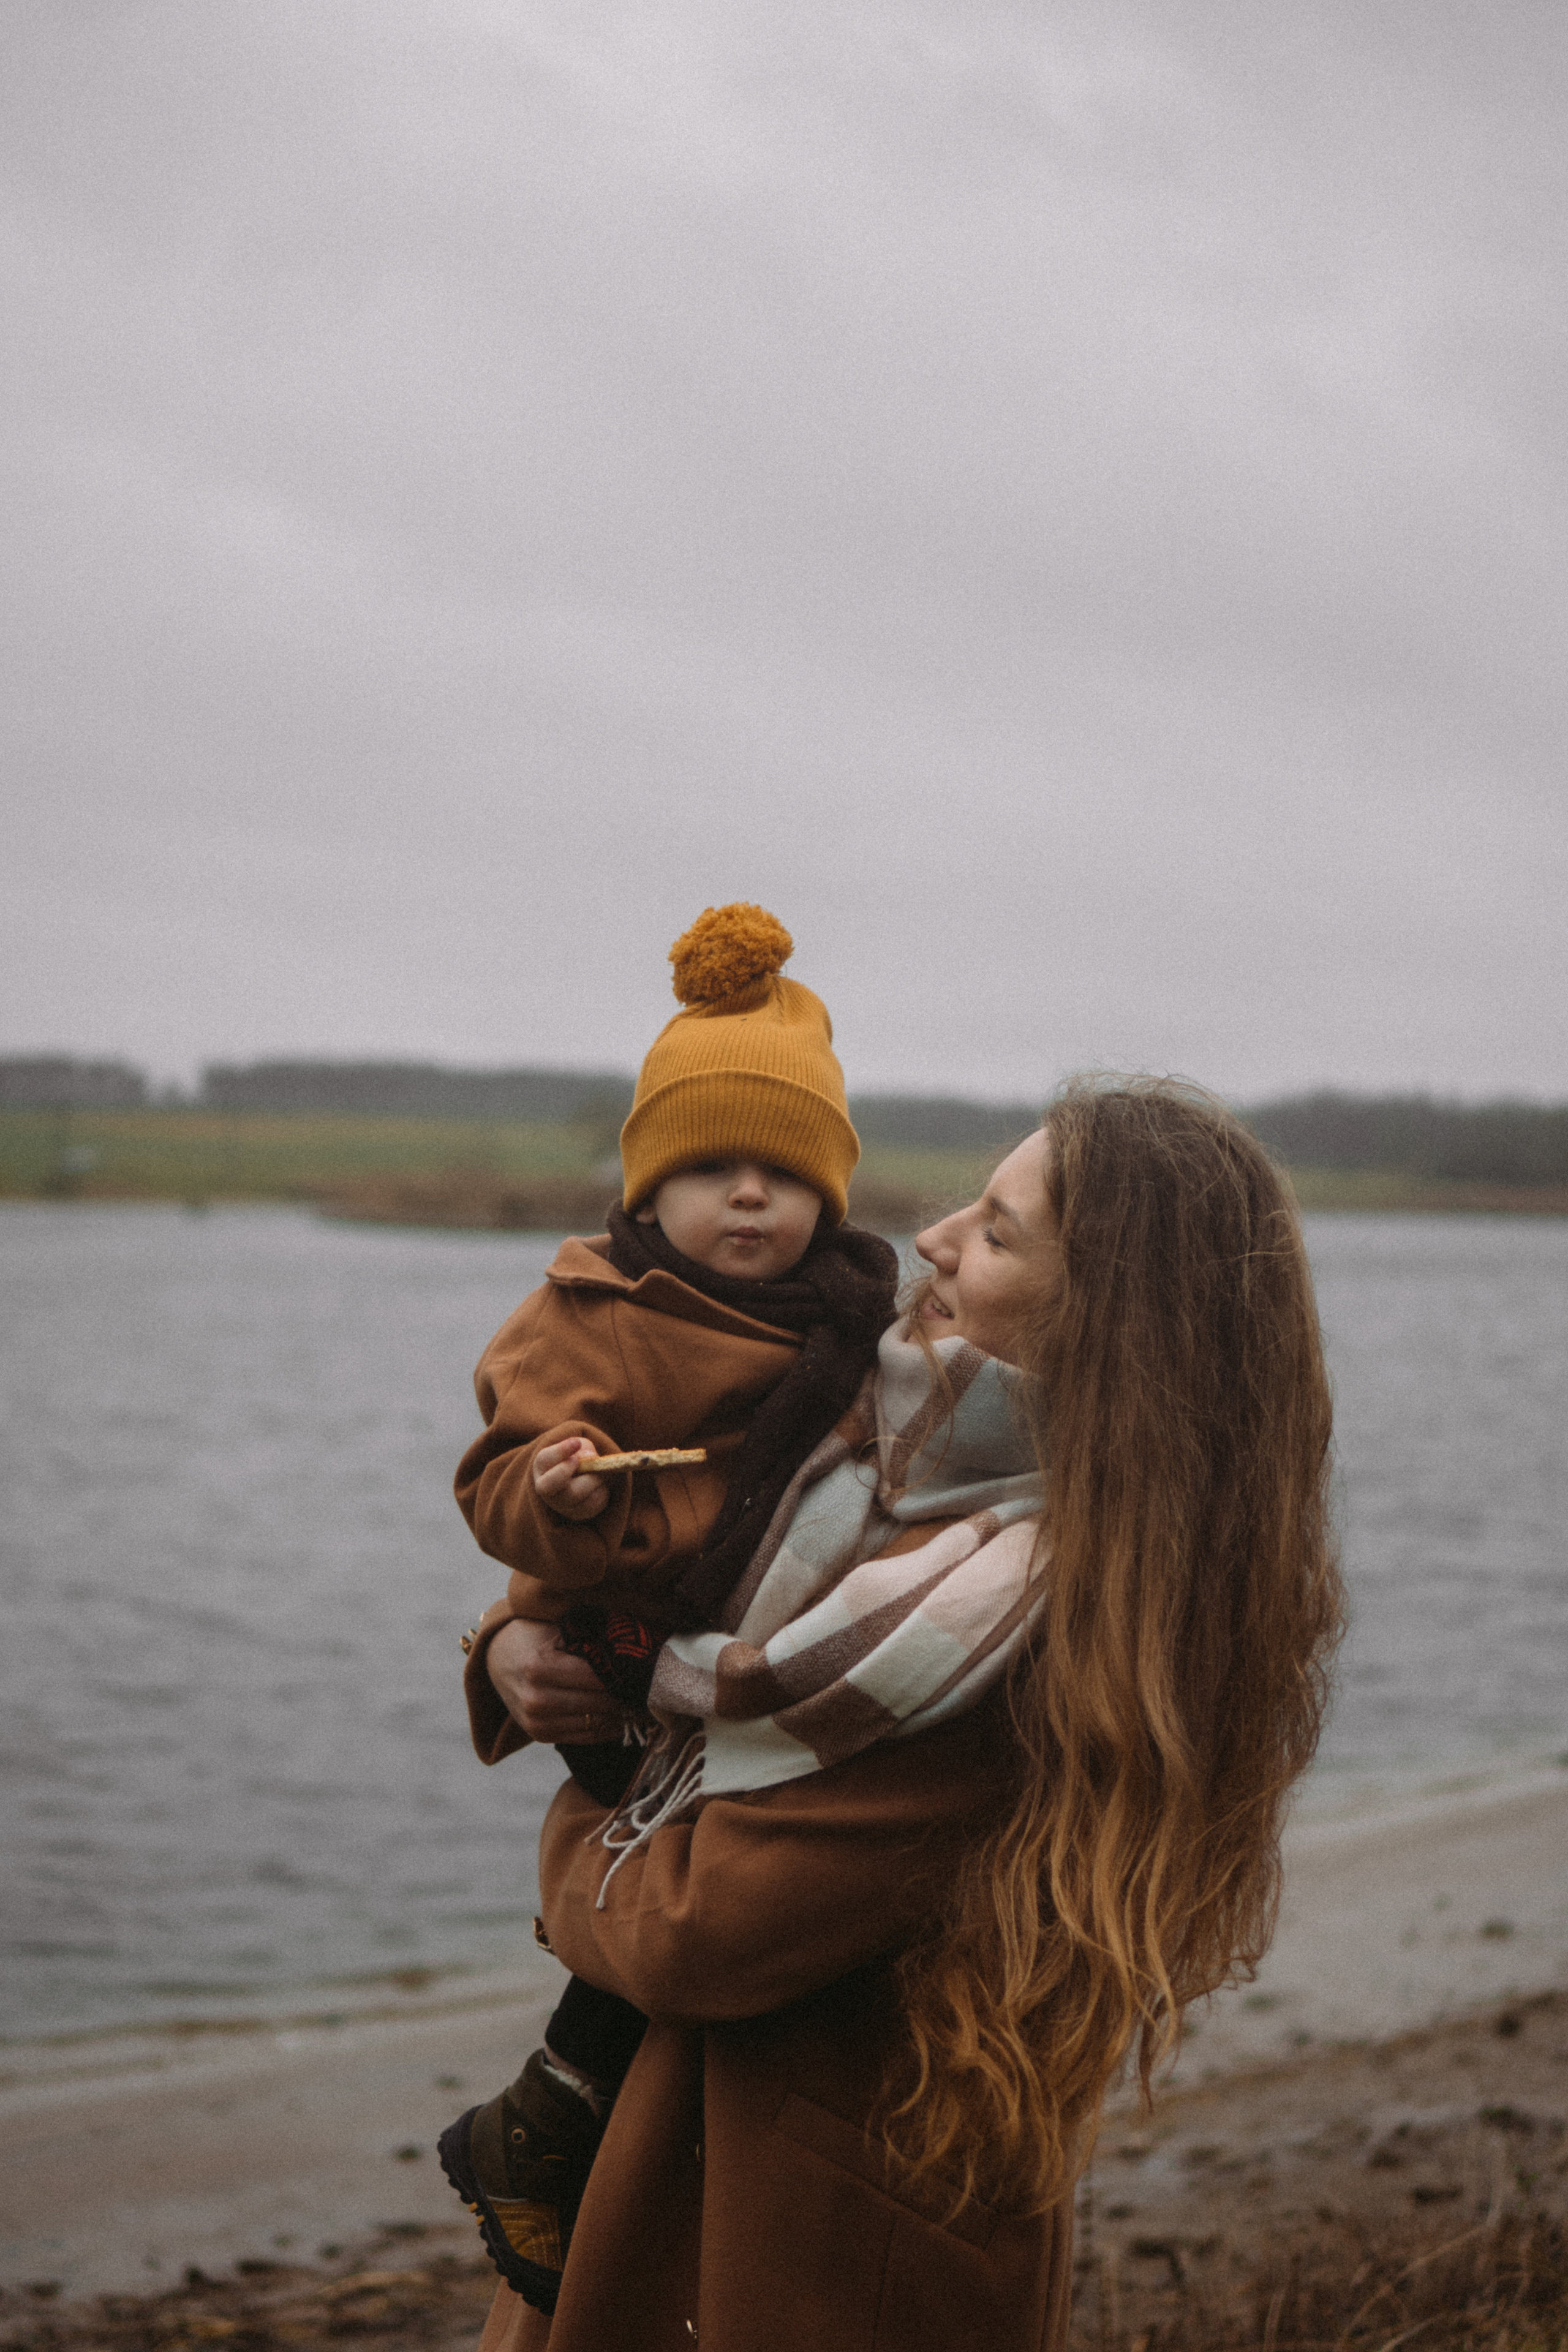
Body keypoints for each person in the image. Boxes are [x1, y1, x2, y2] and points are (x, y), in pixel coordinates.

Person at [458, 1077, 1344, 2352]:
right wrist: (511, 1647)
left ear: (1110, 1323)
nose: (928, 1239)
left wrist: (575, 1851)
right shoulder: (871, 1441)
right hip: (689, 2164)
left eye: (993, 1232)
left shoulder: (1036, 1625)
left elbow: (697, 1933)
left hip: (822, 2237)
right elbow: (673, 1575)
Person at [439, 903, 899, 2313]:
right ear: (647, 1188)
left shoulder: (866, 1330)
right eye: (709, 1169)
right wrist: (556, 1502)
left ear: (829, 1190)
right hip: (619, 1650)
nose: (747, 1197)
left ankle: (551, 2120)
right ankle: (560, 2134)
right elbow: (493, 1481)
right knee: (676, 1874)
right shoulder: (593, 1306)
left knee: (697, 1907)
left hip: (743, 1676)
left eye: (780, 1171)